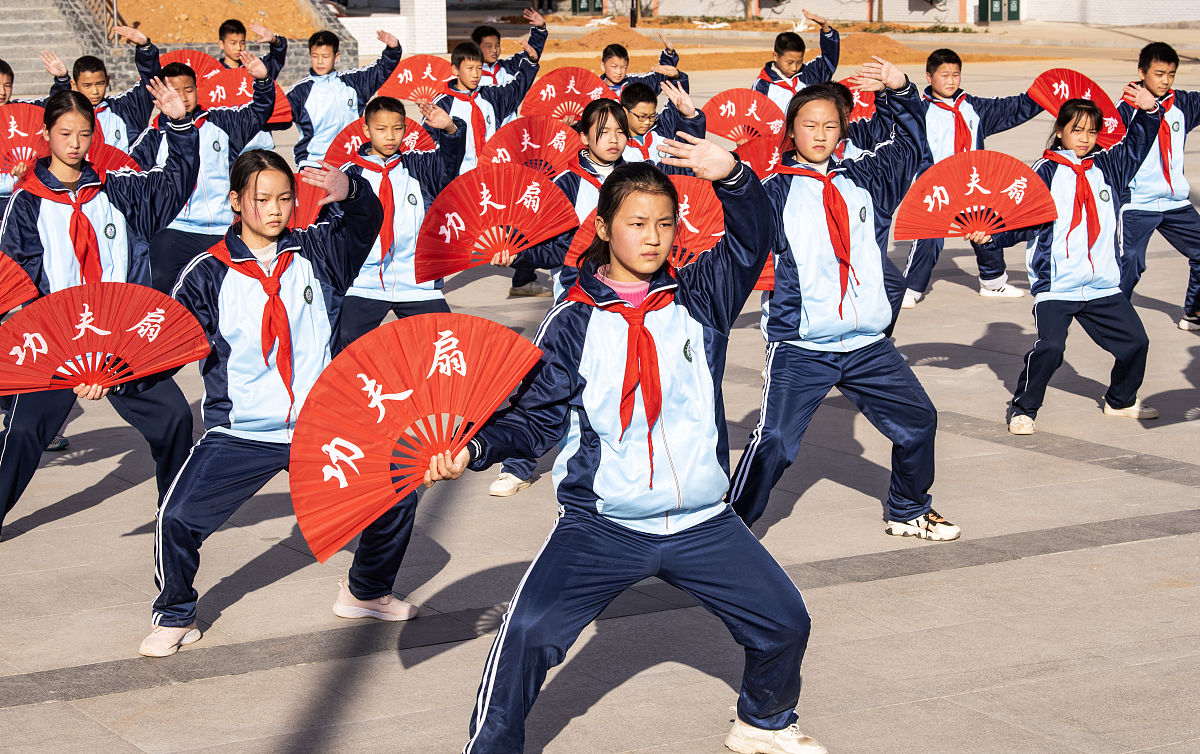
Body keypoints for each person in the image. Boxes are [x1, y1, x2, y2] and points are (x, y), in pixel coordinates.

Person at [425, 141, 825, 754]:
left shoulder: (702, 297)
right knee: (528, 634)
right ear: (605, 227)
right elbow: (535, 420)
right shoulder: (571, 322)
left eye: (665, 224)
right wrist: (475, 448)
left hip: (702, 521)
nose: (653, 237)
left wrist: (735, 178)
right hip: (603, 525)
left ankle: (762, 723)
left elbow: (752, 241)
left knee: (785, 622)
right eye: (637, 223)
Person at [142, 150, 424, 657]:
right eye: (262, 199)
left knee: (399, 489)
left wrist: (352, 191)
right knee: (176, 517)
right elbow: (165, 342)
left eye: (285, 199)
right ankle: (176, 614)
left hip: (321, 424)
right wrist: (112, 378)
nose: (275, 210)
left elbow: (365, 222)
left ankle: (365, 591)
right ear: (235, 201)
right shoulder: (207, 273)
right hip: (242, 431)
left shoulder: (319, 251)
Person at [729, 58, 962, 542]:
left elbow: (911, 146)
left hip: (867, 344)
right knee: (775, 441)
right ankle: (728, 531)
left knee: (919, 421)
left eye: (830, 126)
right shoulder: (771, 194)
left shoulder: (866, 179)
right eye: (809, 125)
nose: (819, 134)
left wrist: (901, 91)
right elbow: (733, 240)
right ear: (791, 130)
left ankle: (908, 509)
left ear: (842, 130)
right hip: (802, 346)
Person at [0, 86, 199, 536]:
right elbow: (15, 282)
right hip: (56, 347)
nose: (75, 144)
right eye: (65, 133)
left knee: (175, 418)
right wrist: (61, 354)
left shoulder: (118, 191)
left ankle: (173, 513)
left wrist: (180, 126)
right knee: (23, 433)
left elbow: (173, 183)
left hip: (122, 343)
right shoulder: (26, 203)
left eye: (84, 134)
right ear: (46, 134)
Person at [971, 91, 1163, 435]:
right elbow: (1020, 221)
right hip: (1058, 285)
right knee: (1051, 348)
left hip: (1102, 285)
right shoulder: (1043, 172)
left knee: (1136, 343)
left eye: (1092, 131)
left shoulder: (1108, 167)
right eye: (1077, 130)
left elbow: (1137, 145)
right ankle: (1023, 409)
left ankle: (1120, 400)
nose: (1085, 138)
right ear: (1060, 131)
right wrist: (991, 238)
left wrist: (1149, 112)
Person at [488, 98, 630, 498]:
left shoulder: (639, 179)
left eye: (621, 131)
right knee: (547, 383)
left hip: (630, 303)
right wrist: (518, 254)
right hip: (576, 302)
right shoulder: (565, 184)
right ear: (583, 137)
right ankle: (517, 464)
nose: (614, 139)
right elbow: (550, 244)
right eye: (603, 132)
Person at [901, 48, 1042, 307]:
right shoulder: (918, 112)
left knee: (986, 227)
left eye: (956, 75)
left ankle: (993, 282)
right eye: (944, 75)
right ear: (929, 77)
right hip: (937, 186)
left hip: (972, 184)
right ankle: (910, 289)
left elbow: (1012, 108)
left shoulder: (973, 107)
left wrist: (1046, 95)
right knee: (928, 238)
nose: (951, 81)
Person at [131, 53, 275, 293]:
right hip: (174, 230)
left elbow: (259, 112)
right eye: (175, 91)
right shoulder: (153, 137)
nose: (183, 97)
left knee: (231, 293)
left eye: (188, 90)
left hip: (222, 229)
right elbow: (134, 181)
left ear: (197, 89)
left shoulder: (222, 122)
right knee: (159, 289)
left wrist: (262, 81)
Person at [336, 96, 466, 352]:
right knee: (346, 341)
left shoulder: (418, 166)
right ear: (366, 130)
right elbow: (334, 228)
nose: (390, 136)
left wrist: (450, 129)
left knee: (447, 343)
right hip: (365, 281)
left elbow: (448, 166)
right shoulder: (349, 175)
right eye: (381, 129)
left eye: (397, 128)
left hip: (417, 281)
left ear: (405, 129)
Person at [1116, 42, 1200, 331]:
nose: (1165, 81)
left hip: (1175, 201)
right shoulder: (1123, 110)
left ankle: (1194, 312)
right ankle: (1116, 320)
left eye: (1171, 74)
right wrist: (1147, 110)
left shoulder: (1183, 104)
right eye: (1159, 74)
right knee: (1130, 261)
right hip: (1138, 202)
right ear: (1142, 72)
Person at [286, 29, 402, 168]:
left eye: (325, 56)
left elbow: (379, 71)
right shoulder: (299, 92)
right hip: (314, 165)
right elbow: (276, 117)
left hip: (351, 162)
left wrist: (393, 50)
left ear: (336, 57)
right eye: (315, 56)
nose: (320, 62)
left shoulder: (353, 83)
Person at [41, 26, 163, 152]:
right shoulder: (68, 114)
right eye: (87, 85)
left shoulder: (127, 108)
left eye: (100, 84)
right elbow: (53, 110)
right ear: (74, 85)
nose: (95, 91)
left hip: (127, 164)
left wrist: (145, 48)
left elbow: (151, 83)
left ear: (107, 80)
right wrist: (62, 81)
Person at [432, 41, 540, 177]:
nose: (476, 74)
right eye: (470, 68)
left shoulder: (490, 96)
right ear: (455, 70)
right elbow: (429, 145)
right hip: (460, 178)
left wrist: (530, 63)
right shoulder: (442, 104)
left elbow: (516, 88)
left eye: (479, 68)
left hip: (493, 174)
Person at [215, 18, 289, 153]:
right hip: (230, 149)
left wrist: (275, 40)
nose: (239, 47)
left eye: (242, 42)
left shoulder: (256, 69)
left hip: (262, 145)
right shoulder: (213, 75)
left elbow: (277, 59)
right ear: (221, 44)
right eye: (233, 43)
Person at [751, 11, 840, 113]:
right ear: (775, 56)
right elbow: (755, 116)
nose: (794, 68)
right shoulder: (763, 85)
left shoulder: (808, 74)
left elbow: (828, 62)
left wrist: (825, 27)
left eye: (799, 62)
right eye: (789, 62)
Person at [472, 8, 548, 124]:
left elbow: (531, 55)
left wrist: (540, 29)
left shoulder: (509, 66)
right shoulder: (471, 77)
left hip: (510, 131)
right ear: (477, 47)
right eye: (488, 46)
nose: (494, 50)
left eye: (497, 45)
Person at [619, 80, 705, 165]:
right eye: (642, 117)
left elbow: (689, 158)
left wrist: (690, 116)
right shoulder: (617, 145)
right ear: (625, 111)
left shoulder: (662, 131)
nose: (647, 122)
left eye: (652, 116)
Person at [599, 35, 688, 96]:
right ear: (603, 66)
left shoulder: (636, 85)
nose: (619, 72)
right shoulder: (595, 89)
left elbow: (659, 77)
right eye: (614, 67)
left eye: (623, 67)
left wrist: (669, 55)